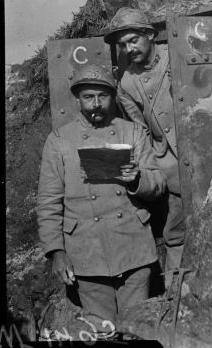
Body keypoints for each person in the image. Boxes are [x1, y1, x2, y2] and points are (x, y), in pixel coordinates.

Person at [37, 64, 166, 332]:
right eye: (88, 97)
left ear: (112, 97)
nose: (96, 104)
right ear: (78, 99)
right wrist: (56, 253)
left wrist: (137, 179)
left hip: (133, 251)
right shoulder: (59, 141)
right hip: (87, 254)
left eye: (102, 96)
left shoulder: (132, 132)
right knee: (102, 333)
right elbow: (49, 203)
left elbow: (158, 184)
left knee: (137, 331)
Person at [104, 8, 185, 283]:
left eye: (133, 41)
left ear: (149, 35)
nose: (128, 49)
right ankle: (177, 293)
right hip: (169, 165)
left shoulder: (176, 52)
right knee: (175, 232)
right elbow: (140, 129)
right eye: (123, 45)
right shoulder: (126, 81)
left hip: (200, 152)